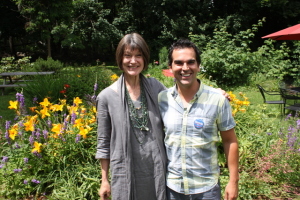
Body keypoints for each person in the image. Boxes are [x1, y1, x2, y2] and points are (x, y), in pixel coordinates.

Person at [158, 39, 239, 200]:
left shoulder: (217, 100)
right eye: (179, 63)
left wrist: (233, 181)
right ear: (170, 67)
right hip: (172, 188)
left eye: (191, 62)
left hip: (206, 189)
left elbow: (230, 141)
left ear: (199, 66)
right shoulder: (162, 99)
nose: (185, 68)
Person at [95, 33, 167, 200]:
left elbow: (182, 100)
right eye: (127, 55)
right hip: (126, 173)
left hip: (157, 171)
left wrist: (213, 93)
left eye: (138, 56)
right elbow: (103, 142)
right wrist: (104, 180)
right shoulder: (106, 97)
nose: (133, 61)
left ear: (145, 58)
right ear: (120, 58)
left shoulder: (156, 87)